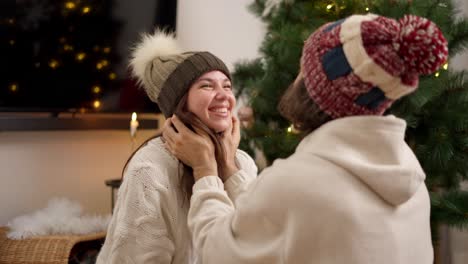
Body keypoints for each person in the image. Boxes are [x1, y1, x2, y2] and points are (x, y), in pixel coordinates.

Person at [163, 14, 448, 263]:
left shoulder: (299, 181)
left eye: (304, 70)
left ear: (317, 89)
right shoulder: (412, 181)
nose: (296, 78)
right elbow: (271, 221)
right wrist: (230, 171)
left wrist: (204, 170)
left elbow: (217, 253)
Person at [96, 30, 258, 264]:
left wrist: (229, 165)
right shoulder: (149, 171)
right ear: (179, 101)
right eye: (207, 86)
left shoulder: (243, 162)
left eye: (227, 86)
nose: (224, 96)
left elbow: (261, 240)